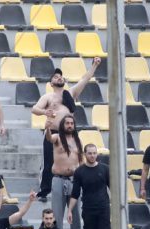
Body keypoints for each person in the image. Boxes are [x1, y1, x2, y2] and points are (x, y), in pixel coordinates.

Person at [31, 58, 102, 202]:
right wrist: (45, 112)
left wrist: (94, 65)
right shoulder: (48, 97)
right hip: (53, 132)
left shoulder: (70, 93)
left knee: (75, 159)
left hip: (69, 133)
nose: (59, 77)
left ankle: (76, 187)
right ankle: (45, 190)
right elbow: (34, 109)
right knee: (48, 162)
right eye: (55, 77)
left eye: (60, 76)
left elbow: (85, 79)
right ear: (51, 83)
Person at [44, 114, 86, 229]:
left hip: (74, 180)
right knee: (57, 212)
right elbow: (49, 138)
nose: (69, 125)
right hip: (58, 178)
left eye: (71, 123)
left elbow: (81, 161)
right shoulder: (57, 138)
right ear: (63, 125)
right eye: (67, 123)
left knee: (75, 213)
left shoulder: (78, 141)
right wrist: (47, 128)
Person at [68, 144, 111, 229]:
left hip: (103, 209)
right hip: (88, 210)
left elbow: (113, 189)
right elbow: (75, 194)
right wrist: (69, 210)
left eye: (94, 153)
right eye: (90, 153)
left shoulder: (105, 169)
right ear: (85, 154)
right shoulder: (79, 171)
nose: (92, 156)